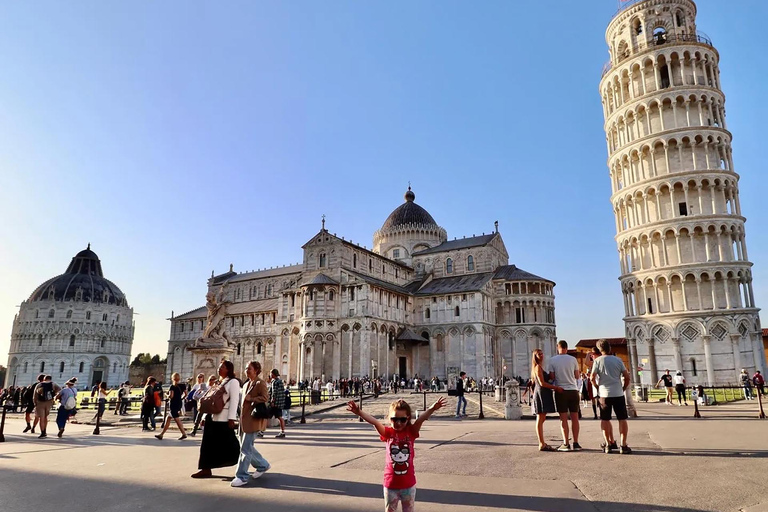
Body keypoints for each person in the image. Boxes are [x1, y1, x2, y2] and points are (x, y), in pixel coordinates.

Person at [348, 396, 446, 512]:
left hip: (408, 485)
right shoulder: (388, 433)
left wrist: (432, 408)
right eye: (395, 419)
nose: (398, 423)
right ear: (390, 419)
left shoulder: (411, 432)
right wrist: (359, 412)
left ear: (408, 418)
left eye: (402, 420)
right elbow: (374, 422)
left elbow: (420, 420)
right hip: (390, 485)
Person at [191, 360, 241, 479]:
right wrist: (204, 416)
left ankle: (251, 462)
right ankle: (205, 468)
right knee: (207, 444)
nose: (219, 369)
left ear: (228, 369)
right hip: (212, 417)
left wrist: (231, 418)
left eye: (222, 367)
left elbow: (234, 400)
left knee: (232, 445)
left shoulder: (233, 382)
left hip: (224, 418)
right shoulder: (220, 382)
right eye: (219, 367)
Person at [231, 361, 271, 487]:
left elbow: (265, 398)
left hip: (253, 420)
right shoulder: (247, 383)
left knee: (245, 449)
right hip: (243, 420)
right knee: (246, 446)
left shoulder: (260, 383)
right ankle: (262, 465)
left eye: (249, 369)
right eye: (246, 368)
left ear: (256, 370)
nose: (246, 370)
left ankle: (241, 476)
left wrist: (252, 399)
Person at [590, 339, 631, 454]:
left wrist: (597, 387)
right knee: (622, 419)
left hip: (604, 394)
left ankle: (608, 444)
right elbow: (626, 376)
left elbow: (592, 377)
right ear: (610, 348)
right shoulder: (618, 360)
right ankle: (623, 445)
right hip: (618, 392)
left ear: (599, 349)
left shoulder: (597, 361)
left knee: (605, 419)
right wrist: (623, 387)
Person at [548, 340, 582, 451]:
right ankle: (576, 443)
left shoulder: (552, 360)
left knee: (563, 419)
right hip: (573, 390)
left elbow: (552, 377)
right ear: (566, 348)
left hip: (561, 391)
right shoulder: (573, 359)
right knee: (575, 418)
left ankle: (566, 443)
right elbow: (577, 376)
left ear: (558, 347)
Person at [531, 349, 563, 452]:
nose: (541, 355)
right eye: (538, 354)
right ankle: (541, 443)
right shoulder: (537, 367)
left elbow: (545, 380)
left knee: (542, 418)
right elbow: (542, 383)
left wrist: (550, 376)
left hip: (543, 393)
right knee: (540, 419)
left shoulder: (539, 367)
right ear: (535, 356)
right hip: (541, 393)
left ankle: (542, 442)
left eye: (541, 353)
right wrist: (556, 388)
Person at [155, 372, 188, 440]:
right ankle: (161, 434)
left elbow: (171, 396)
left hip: (173, 404)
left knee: (177, 419)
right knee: (168, 418)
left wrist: (166, 395)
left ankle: (183, 433)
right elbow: (186, 394)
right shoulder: (183, 385)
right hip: (179, 403)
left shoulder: (172, 386)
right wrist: (181, 398)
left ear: (172, 378)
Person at [268, 369, 287, 438]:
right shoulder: (280, 381)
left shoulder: (274, 382)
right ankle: (282, 431)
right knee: (280, 418)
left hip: (275, 404)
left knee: (266, 416)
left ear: (273, 374)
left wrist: (272, 401)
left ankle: (261, 431)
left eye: (270, 373)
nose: (270, 375)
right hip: (279, 403)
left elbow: (274, 392)